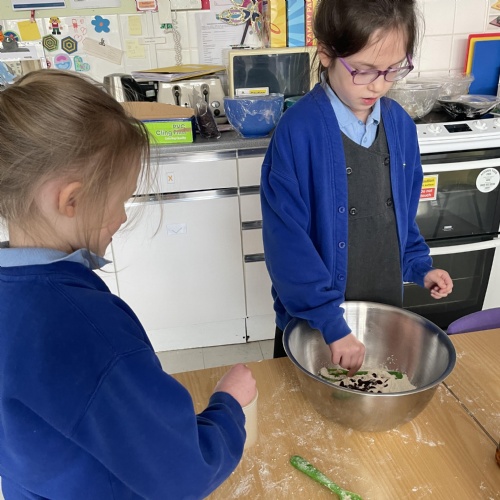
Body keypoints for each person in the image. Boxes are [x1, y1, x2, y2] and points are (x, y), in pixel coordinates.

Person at [0, 69, 257, 500]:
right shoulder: (84, 328)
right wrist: (228, 407)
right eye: (120, 199)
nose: (121, 216)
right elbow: (181, 474)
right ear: (71, 199)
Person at [260, 0, 453, 375]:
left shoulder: (400, 126)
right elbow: (287, 244)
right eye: (363, 71)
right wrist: (332, 325)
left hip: (382, 314)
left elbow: (400, 217)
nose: (378, 85)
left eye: (392, 70)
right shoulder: (298, 131)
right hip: (317, 324)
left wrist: (419, 266)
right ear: (327, 54)